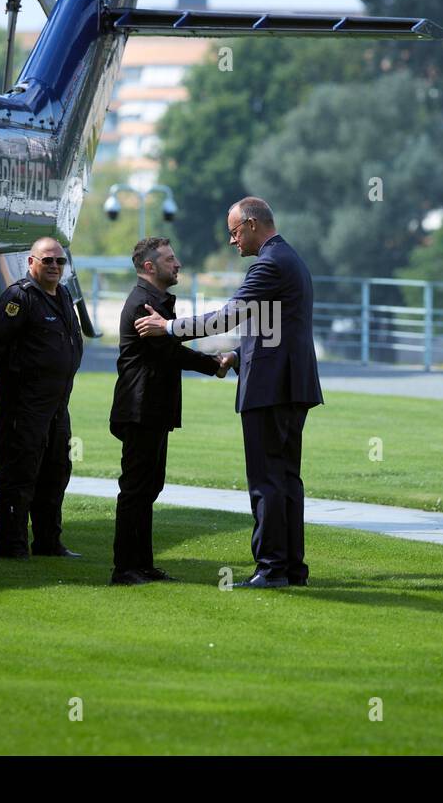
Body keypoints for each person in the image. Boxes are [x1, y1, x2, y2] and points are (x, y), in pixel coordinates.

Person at [135, 197, 322, 589]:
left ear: (252, 224)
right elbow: (274, 326)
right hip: (290, 384)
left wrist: (168, 329)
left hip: (271, 389)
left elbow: (228, 315)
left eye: (235, 232)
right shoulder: (288, 259)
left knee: (267, 481)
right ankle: (290, 568)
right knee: (286, 479)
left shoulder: (269, 264)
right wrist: (237, 355)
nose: (233, 242)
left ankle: (271, 569)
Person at [108, 237, 226, 585]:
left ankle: (141, 565)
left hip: (152, 409)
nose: (177, 265)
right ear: (149, 267)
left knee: (147, 489)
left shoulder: (156, 302)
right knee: (136, 490)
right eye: (170, 260)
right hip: (140, 408)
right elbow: (170, 352)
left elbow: (169, 347)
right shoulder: (145, 304)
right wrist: (214, 364)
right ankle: (125, 569)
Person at [0, 236, 84, 559]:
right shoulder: (19, 297)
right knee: (20, 474)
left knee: (56, 472)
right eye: (47, 261)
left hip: (58, 406)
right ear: (31, 263)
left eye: (60, 261)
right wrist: (18, 383)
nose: (55, 266)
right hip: (25, 407)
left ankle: (48, 542)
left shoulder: (63, 294)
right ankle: (12, 545)